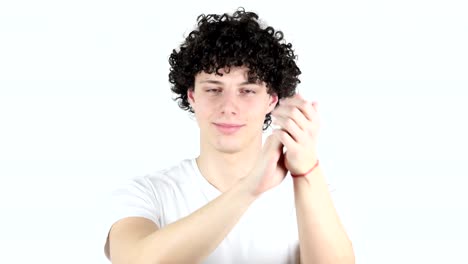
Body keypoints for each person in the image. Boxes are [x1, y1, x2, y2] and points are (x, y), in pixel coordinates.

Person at [104, 7, 354, 264]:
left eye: (247, 91)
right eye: (213, 89)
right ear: (192, 96)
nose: (228, 107)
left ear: (272, 100)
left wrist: (305, 170)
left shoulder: (316, 197)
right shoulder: (148, 194)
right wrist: (249, 188)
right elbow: (133, 259)